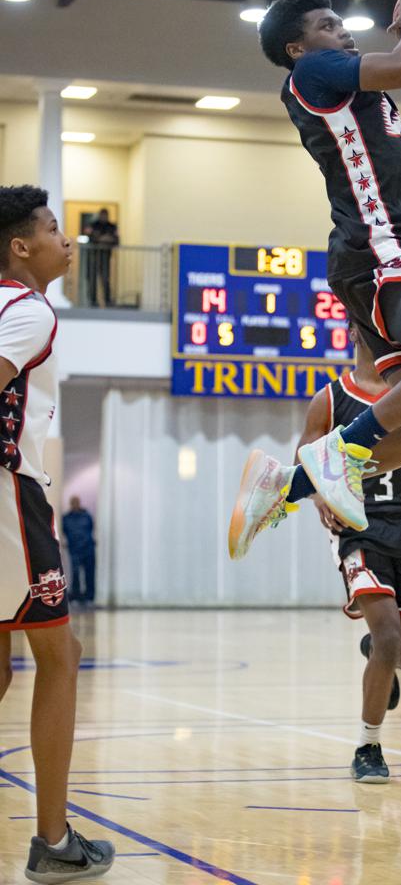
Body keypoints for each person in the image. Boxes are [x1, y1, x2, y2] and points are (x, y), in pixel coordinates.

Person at [229, 0, 401, 558]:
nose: (343, 29)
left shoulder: (362, 98)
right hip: (377, 252)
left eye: (339, 21)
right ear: (299, 49)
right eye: (327, 25)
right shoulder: (311, 75)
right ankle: (335, 456)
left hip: (385, 255)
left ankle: (285, 485)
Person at [0, 185, 114, 880]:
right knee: (59, 656)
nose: (64, 239)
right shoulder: (28, 308)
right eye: (50, 228)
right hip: (8, 494)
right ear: (21, 247)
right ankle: (52, 842)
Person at [296, 322, 401, 783]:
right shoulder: (331, 398)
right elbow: (304, 459)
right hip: (360, 530)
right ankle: (368, 747)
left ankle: (376, 652)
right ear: (353, 329)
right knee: (390, 635)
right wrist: (318, 497)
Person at [62, 496, 96, 606]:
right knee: (75, 573)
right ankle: (75, 597)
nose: (75, 504)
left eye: (76, 502)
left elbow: (91, 528)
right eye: (73, 502)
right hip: (74, 549)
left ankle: (89, 597)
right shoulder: (66, 518)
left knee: (89, 573)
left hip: (88, 548)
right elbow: (65, 531)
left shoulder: (87, 516)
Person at [84, 207, 119, 307]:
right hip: (93, 256)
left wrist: (99, 238)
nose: (104, 217)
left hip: (105, 257)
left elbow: (116, 240)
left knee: (105, 279)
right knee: (92, 279)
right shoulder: (93, 225)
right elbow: (91, 237)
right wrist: (105, 238)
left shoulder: (111, 226)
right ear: (99, 215)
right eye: (102, 215)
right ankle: (93, 301)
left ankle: (107, 301)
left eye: (105, 215)